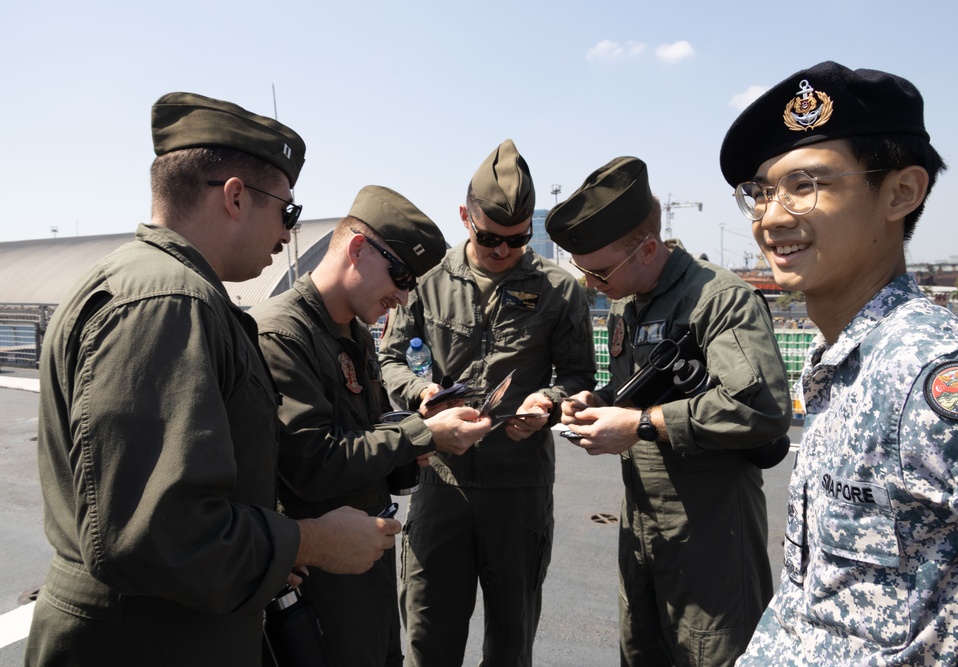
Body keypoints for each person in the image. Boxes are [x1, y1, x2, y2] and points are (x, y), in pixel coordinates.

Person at [24, 92, 401, 667]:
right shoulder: (169, 301)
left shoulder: (166, 289)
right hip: (149, 641)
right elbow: (158, 534)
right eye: (287, 211)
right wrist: (312, 540)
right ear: (235, 196)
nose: (287, 234)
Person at [719, 61, 958, 666]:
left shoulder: (935, 374)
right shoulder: (840, 362)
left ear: (901, 192)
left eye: (805, 186)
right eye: (762, 192)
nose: (771, 218)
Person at [545, 156, 792, 667]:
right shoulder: (626, 298)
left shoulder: (718, 299)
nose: (591, 283)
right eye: (582, 270)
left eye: (599, 270)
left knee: (712, 651)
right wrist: (598, 404)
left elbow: (762, 408)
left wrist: (638, 424)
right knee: (642, 648)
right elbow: (632, 392)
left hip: (710, 526)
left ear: (649, 248)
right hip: (642, 519)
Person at [250, 185, 492, 666]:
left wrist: (414, 440)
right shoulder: (283, 334)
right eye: (399, 276)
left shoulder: (355, 335)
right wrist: (421, 435)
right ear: (358, 248)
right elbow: (312, 464)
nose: (403, 297)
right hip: (319, 569)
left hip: (366, 559)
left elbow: (370, 431)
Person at [378, 139, 596, 666]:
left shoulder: (559, 289)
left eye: (518, 240)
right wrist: (421, 392)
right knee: (430, 638)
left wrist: (546, 402)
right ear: (464, 217)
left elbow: (578, 374)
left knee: (511, 639)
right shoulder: (426, 282)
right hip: (440, 481)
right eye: (490, 238)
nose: (503, 251)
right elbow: (389, 360)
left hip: (517, 488)